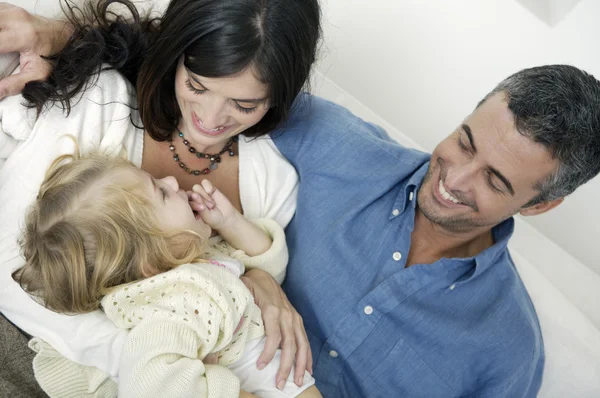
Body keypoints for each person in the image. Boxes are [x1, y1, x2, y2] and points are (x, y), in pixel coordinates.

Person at [0, 0, 321, 392]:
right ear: (176, 55)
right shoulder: (99, 103)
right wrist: (171, 361)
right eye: (197, 85)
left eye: (244, 104)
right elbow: (16, 272)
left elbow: (240, 267)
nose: (211, 118)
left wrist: (262, 279)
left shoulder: (271, 181)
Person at [268, 64, 600, 397]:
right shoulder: (335, 143)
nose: (454, 181)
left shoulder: (509, 355)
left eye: (494, 181)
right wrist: (259, 276)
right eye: (465, 144)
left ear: (538, 205)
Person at [13, 150, 322, 398]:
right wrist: (224, 385)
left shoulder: (197, 262)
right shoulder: (172, 305)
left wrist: (231, 222)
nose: (173, 183)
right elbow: (147, 387)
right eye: (160, 192)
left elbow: (271, 269)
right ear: (151, 256)